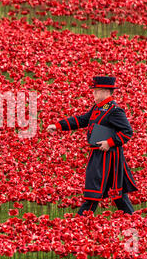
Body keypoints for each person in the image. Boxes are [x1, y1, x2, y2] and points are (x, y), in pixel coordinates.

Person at [47, 76, 138, 216]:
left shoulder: (114, 110)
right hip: (97, 155)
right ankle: (132, 218)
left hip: (108, 157)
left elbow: (127, 132)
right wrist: (58, 125)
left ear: (106, 92)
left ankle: (80, 221)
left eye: (96, 91)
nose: (93, 94)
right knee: (116, 194)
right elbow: (82, 120)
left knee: (94, 191)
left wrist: (109, 142)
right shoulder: (98, 108)